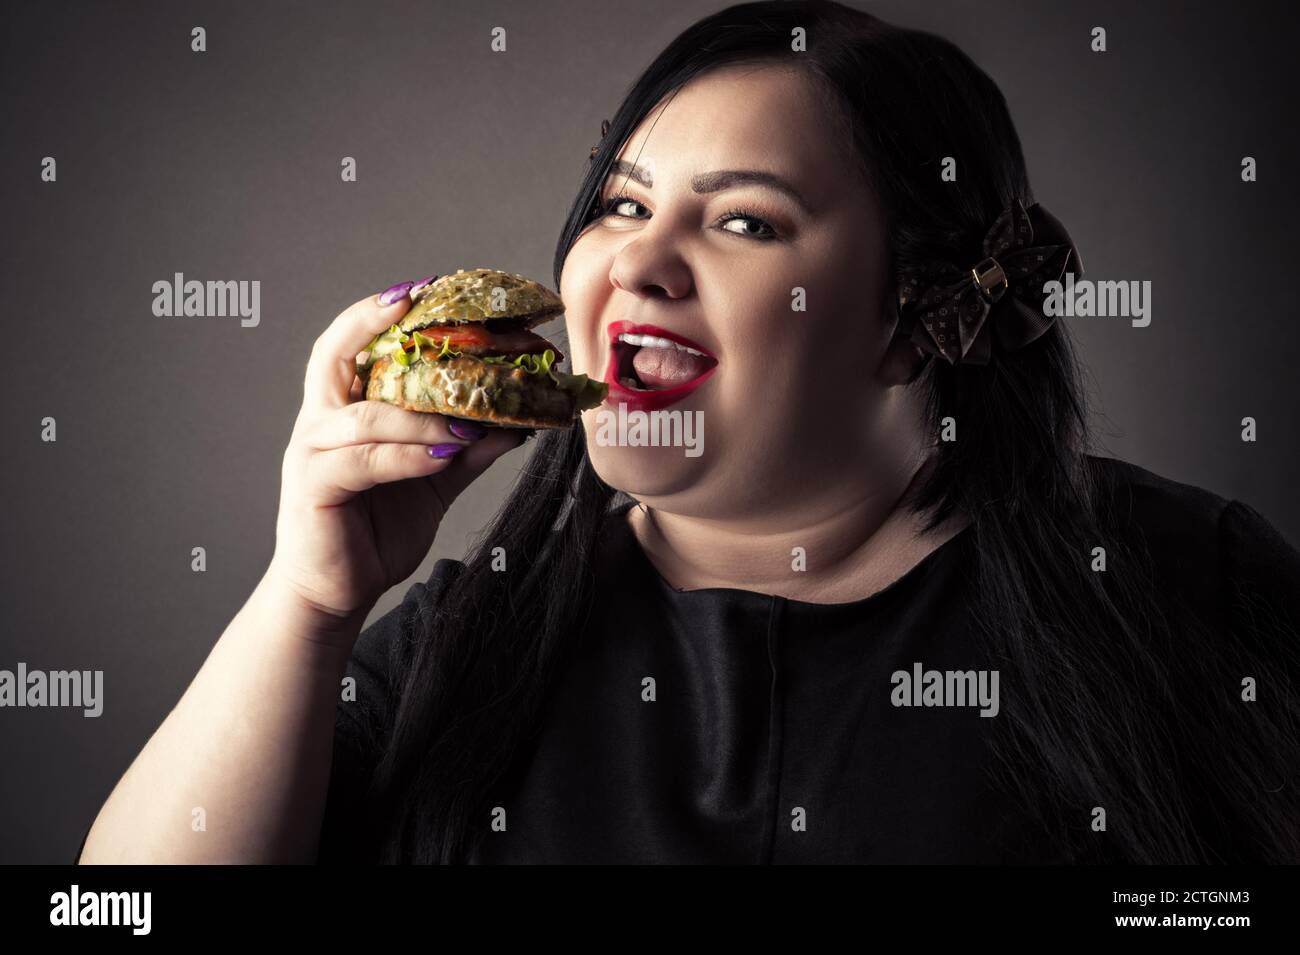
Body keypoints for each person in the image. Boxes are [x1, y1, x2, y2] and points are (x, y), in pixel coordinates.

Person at [77, 0, 1300, 865]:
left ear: (915, 320)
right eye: (620, 203)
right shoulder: (469, 632)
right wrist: (304, 599)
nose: (640, 264)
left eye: (747, 224)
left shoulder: (1185, 586)